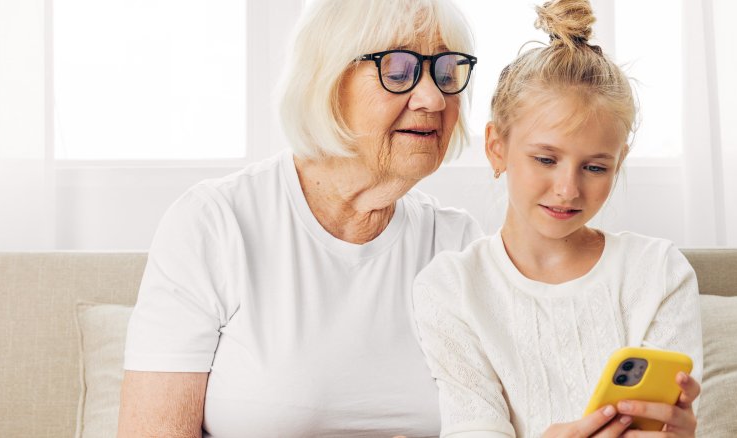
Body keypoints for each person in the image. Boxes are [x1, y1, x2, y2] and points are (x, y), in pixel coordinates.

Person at [117, 0, 481, 436]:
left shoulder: (457, 243)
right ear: (326, 81)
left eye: (446, 72)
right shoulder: (214, 224)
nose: (434, 98)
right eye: (399, 71)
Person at [411, 0, 703, 437]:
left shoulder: (658, 271)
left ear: (619, 162)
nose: (568, 189)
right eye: (546, 159)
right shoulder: (451, 288)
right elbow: (473, 425)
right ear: (496, 147)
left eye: (595, 167)